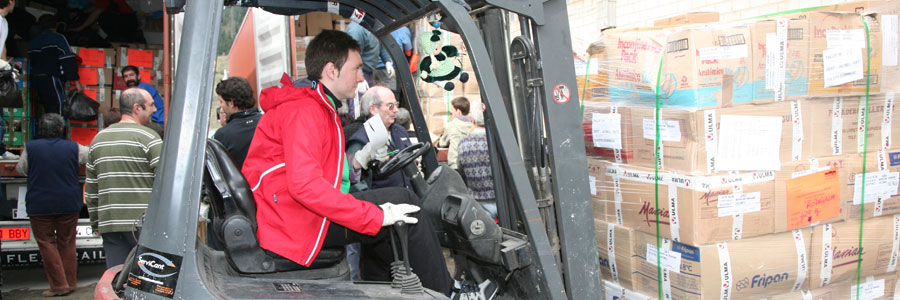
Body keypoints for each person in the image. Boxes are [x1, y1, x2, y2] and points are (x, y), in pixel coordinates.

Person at [241, 30, 474, 298]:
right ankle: (449, 293)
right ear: (331, 70)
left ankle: (385, 288)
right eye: (356, 69)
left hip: (292, 214)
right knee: (407, 205)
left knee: (391, 211)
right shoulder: (304, 111)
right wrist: (374, 215)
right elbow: (305, 186)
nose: (361, 77)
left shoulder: (317, 107)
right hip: (295, 222)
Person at [85, 88, 162, 269]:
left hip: (110, 223)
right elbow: (164, 185)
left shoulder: (98, 140)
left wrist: (96, 222)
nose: (154, 110)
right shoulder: (149, 138)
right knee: (149, 276)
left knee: (117, 276)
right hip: (143, 224)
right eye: (151, 105)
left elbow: (92, 189)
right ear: (137, 108)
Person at [15, 113, 88, 297]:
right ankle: (70, 283)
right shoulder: (74, 147)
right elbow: (89, 157)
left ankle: (59, 285)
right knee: (67, 242)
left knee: (47, 243)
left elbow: (21, 169)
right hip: (68, 202)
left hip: (40, 204)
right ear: (60, 129)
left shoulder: (30, 148)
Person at [347, 86, 412, 191]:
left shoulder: (400, 131)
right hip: (384, 203)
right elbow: (358, 188)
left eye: (396, 105)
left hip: (409, 198)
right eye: (390, 106)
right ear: (373, 109)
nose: (396, 110)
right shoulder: (361, 141)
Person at [29, 14, 82, 116]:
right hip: (51, 79)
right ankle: (56, 131)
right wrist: (76, 82)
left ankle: (47, 130)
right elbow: (68, 59)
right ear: (56, 25)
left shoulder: (33, 41)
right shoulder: (58, 38)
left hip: (36, 81)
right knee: (58, 111)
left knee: (46, 110)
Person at [213, 77, 261, 169]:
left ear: (231, 102)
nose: (220, 105)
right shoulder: (268, 122)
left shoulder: (223, 134)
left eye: (221, 101)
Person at [456, 109, 497, 219]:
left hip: (478, 202)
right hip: (502, 200)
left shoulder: (464, 143)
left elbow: (461, 170)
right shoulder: (498, 140)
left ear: (473, 119)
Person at [69, 0, 144, 43]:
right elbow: (94, 8)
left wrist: (80, 28)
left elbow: (97, 11)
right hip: (127, 24)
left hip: (125, 23)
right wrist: (79, 13)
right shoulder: (101, 3)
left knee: (100, 16)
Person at [436, 97, 473, 170]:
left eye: (452, 109)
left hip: (455, 166)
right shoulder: (473, 126)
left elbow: (442, 143)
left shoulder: (451, 126)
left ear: (458, 111)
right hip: (470, 165)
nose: (451, 112)